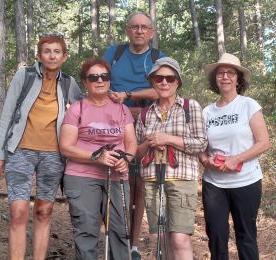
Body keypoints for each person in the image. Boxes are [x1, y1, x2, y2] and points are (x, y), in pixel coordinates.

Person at [0, 32, 83, 260]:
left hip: (53, 155)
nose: (52, 56)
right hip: (20, 151)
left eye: (56, 51)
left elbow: (84, 111)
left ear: (64, 56)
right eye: (47, 51)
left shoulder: (69, 83)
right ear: (39, 55)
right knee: (18, 212)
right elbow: (7, 114)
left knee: (44, 211)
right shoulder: (25, 76)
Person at [59, 58, 137, 260]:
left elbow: (131, 143)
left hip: (117, 176)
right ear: (85, 82)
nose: (100, 80)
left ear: (110, 80)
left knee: (120, 230)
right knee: (86, 230)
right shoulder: (77, 109)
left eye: (104, 76)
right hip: (81, 176)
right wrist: (97, 157)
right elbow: (66, 147)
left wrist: (126, 160)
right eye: (93, 77)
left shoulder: (122, 109)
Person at [103, 11, 165, 259]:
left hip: (147, 124)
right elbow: (100, 80)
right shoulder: (114, 54)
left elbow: (163, 89)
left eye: (144, 27)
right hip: (114, 124)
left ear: (151, 32)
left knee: (138, 184)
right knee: (116, 180)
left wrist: (128, 96)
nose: (139, 31)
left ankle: (134, 244)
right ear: (128, 30)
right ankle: (116, 237)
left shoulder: (158, 57)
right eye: (135, 27)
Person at [199, 53, 270, 260]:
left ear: (238, 79)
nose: (225, 76)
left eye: (231, 73)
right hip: (214, 184)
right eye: (220, 73)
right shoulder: (207, 112)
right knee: (216, 236)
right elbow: (200, 146)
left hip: (246, 181)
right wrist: (205, 160)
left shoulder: (248, 105)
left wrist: (236, 159)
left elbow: (264, 142)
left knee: (246, 235)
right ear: (215, 79)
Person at [135, 57, 208, 260]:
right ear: (153, 82)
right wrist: (150, 143)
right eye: (159, 78)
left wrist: (168, 139)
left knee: (179, 238)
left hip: (182, 178)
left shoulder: (189, 107)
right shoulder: (145, 114)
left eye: (170, 78)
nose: (164, 82)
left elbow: (201, 143)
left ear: (178, 82)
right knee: (159, 238)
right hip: (151, 179)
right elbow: (136, 152)